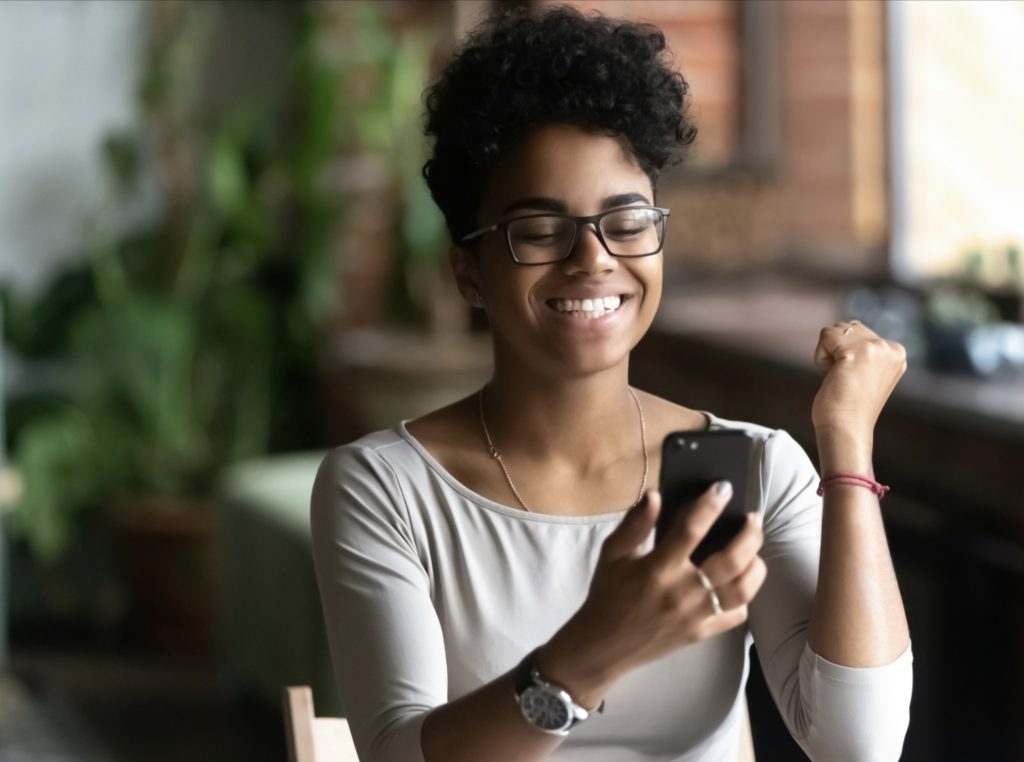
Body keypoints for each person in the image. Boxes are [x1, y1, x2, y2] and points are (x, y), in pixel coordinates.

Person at [311, 7, 913, 761]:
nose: (593, 258)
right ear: (468, 271)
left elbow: (862, 744)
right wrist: (593, 650)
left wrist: (847, 445)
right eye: (539, 230)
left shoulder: (753, 468)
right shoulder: (384, 488)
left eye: (625, 222)